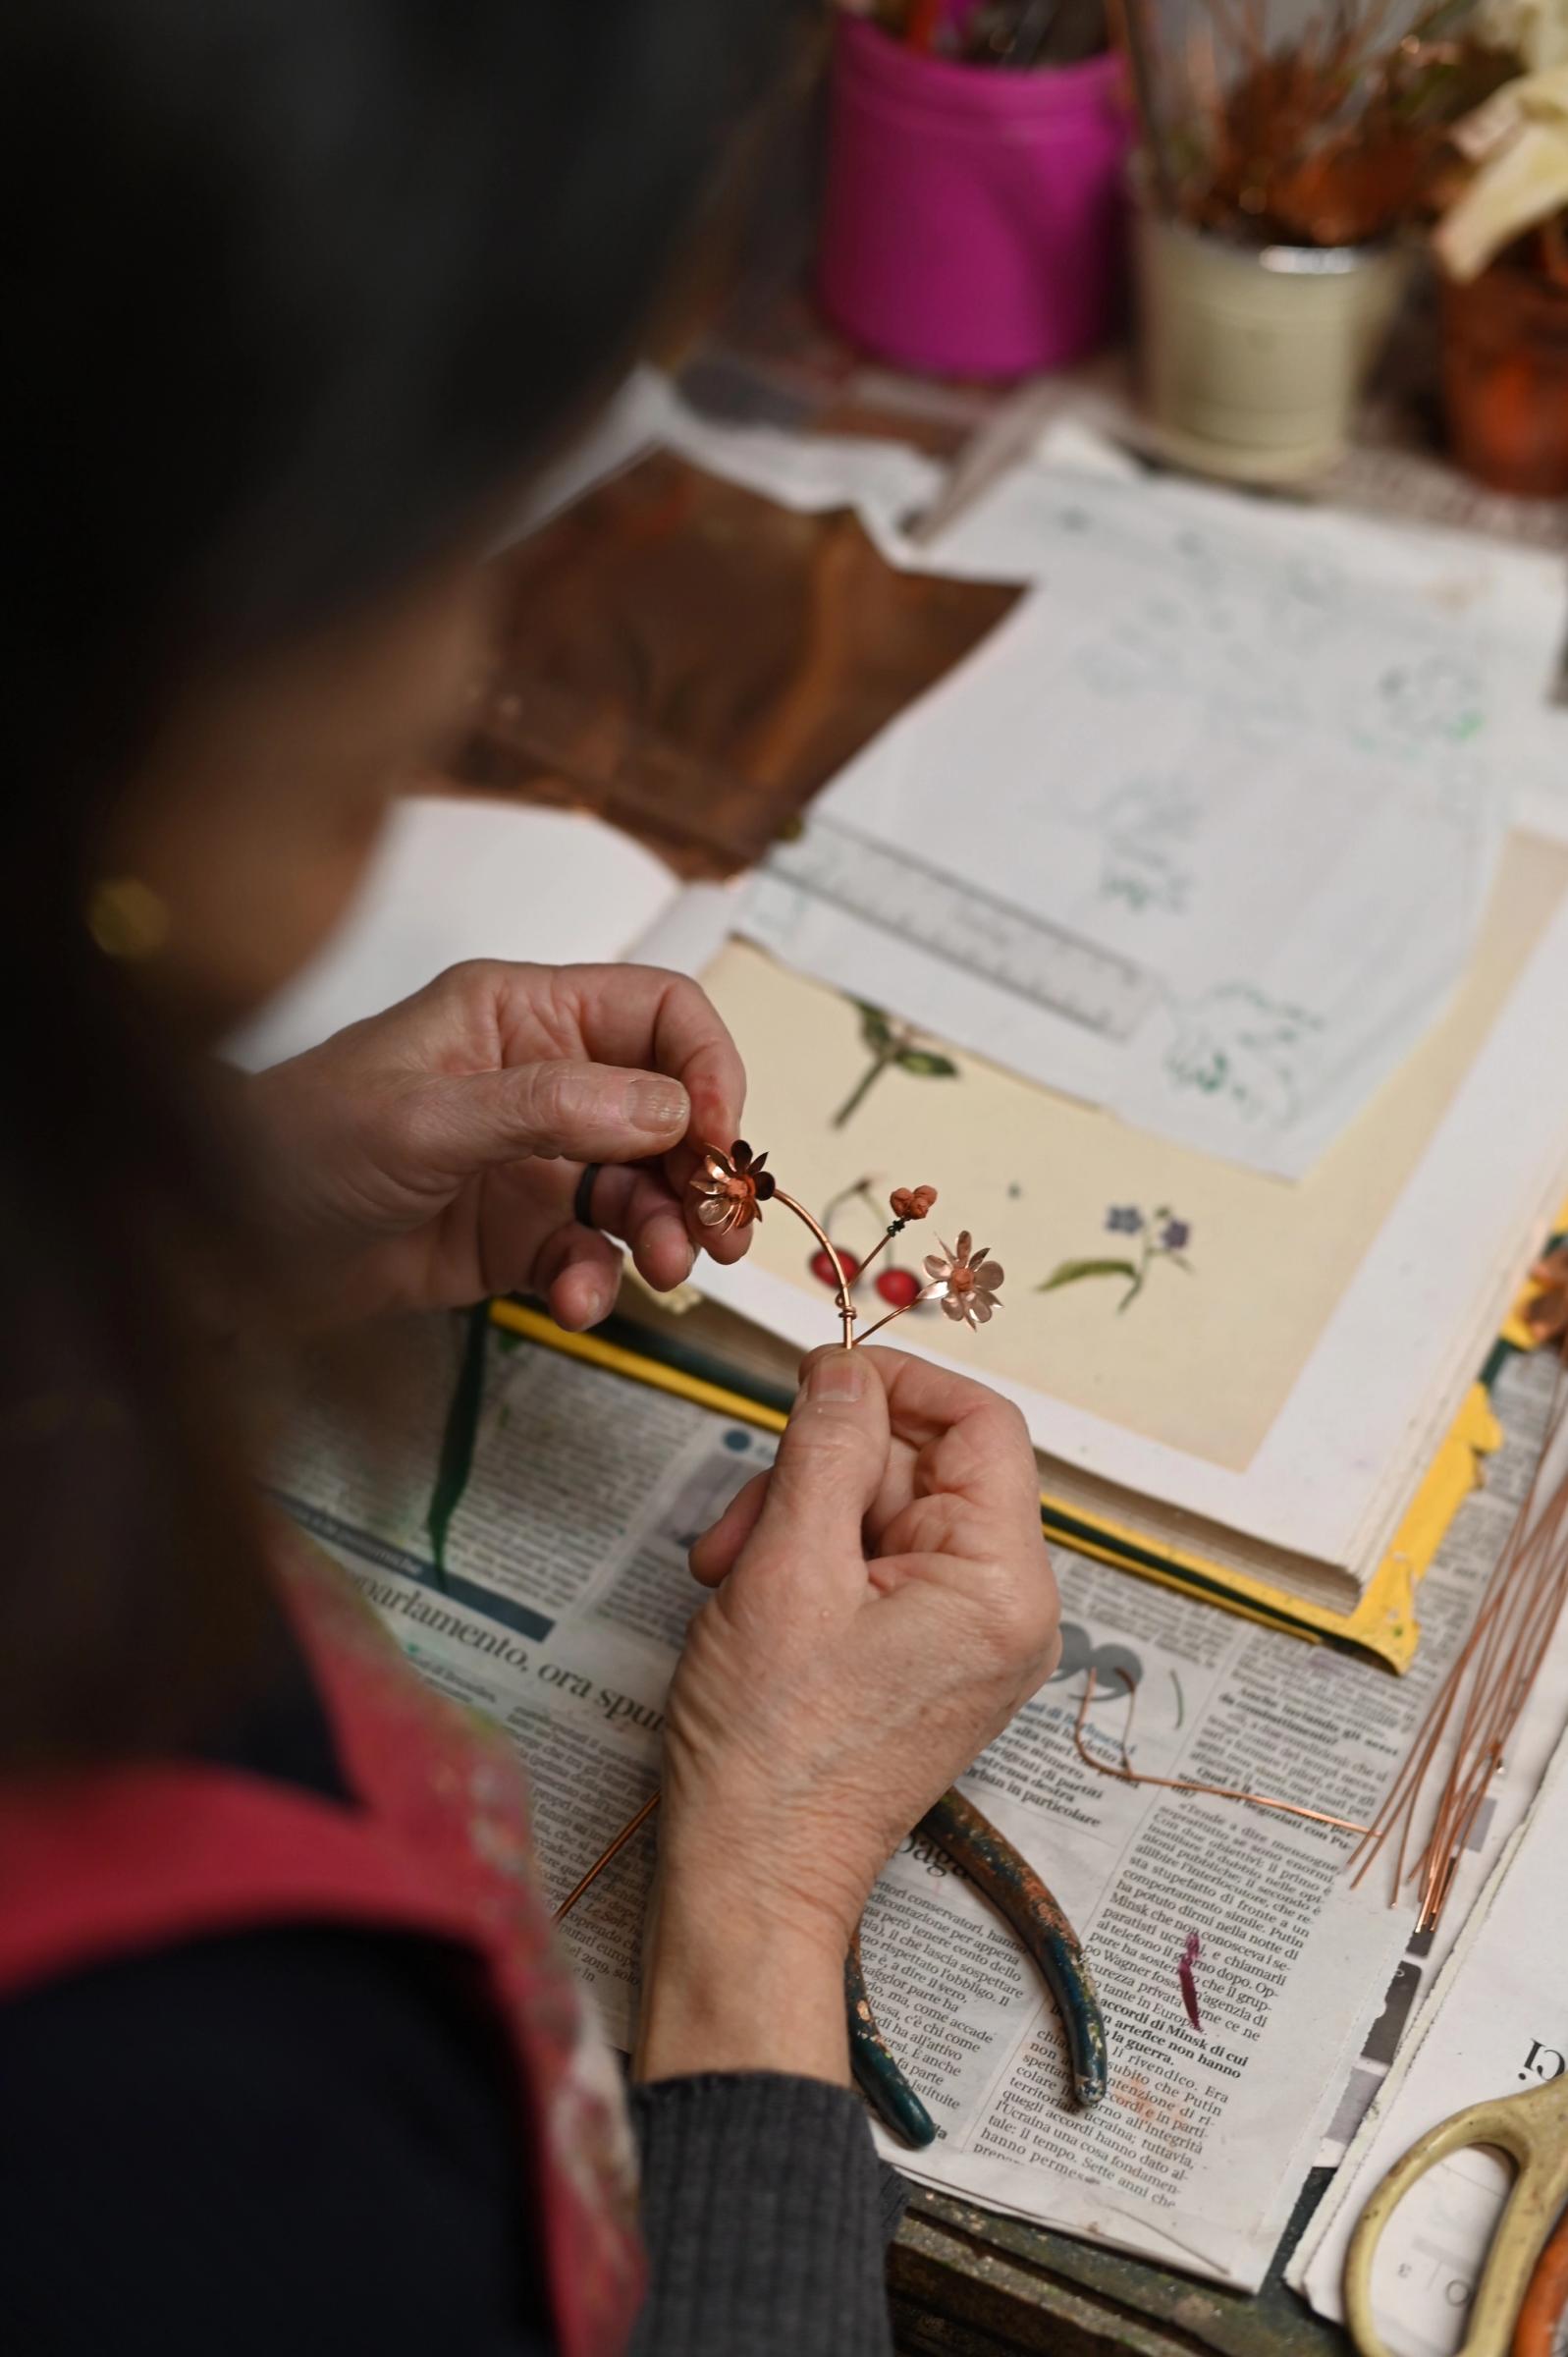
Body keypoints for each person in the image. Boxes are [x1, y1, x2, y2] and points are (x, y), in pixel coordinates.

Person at [0, 6, 1062, 2353]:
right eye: (476, 508)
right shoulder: (150, 2121)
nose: (473, 646)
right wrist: (758, 1907)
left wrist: (192, 1226)